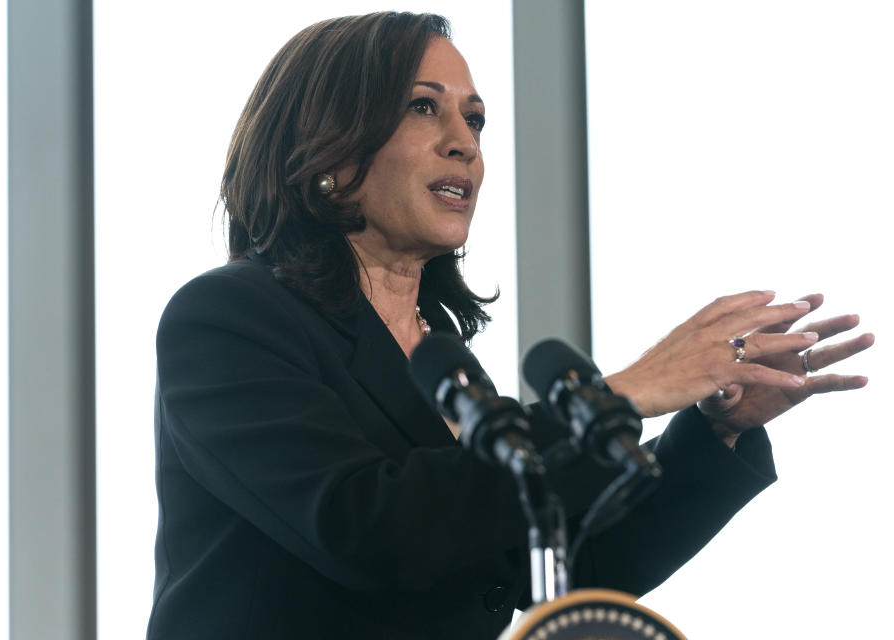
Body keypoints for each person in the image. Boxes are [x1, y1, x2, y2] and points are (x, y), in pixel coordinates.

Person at [146, 12, 873, 639]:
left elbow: (564, 564)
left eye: (476, 119)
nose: (464, 142)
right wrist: (623, 392)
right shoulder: (227, 320)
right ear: (329, 143)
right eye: (424, 108)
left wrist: (717, 428)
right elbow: (366, 528)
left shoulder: (444, 361)